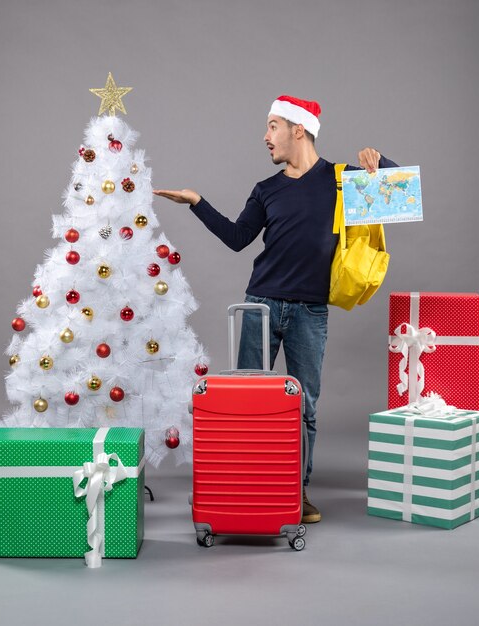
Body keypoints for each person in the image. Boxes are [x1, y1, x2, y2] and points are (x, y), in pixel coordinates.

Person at [154, 94, 398, 523]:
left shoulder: (343, 180)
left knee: (304, 406)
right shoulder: (266, 190)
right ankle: (245, 487)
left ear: (297, 129)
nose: (265, 137)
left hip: (310, 312)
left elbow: (401, 199)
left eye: (272, 126)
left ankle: (293, 492)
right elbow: (236, 237)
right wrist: (197, 202)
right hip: (260, 306)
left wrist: (383, 164)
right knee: (250, 403)